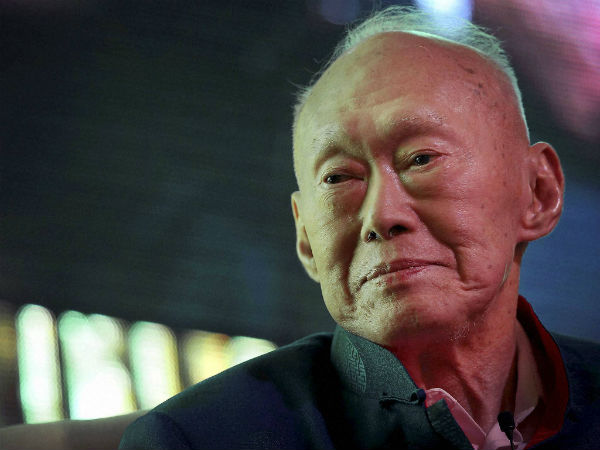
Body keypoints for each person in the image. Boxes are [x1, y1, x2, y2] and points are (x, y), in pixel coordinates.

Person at [119, 7, 600, 450]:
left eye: (421, 159)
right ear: (306, 239)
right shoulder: (199, 440)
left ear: (538, 192)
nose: (382, 215)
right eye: (338, 178)